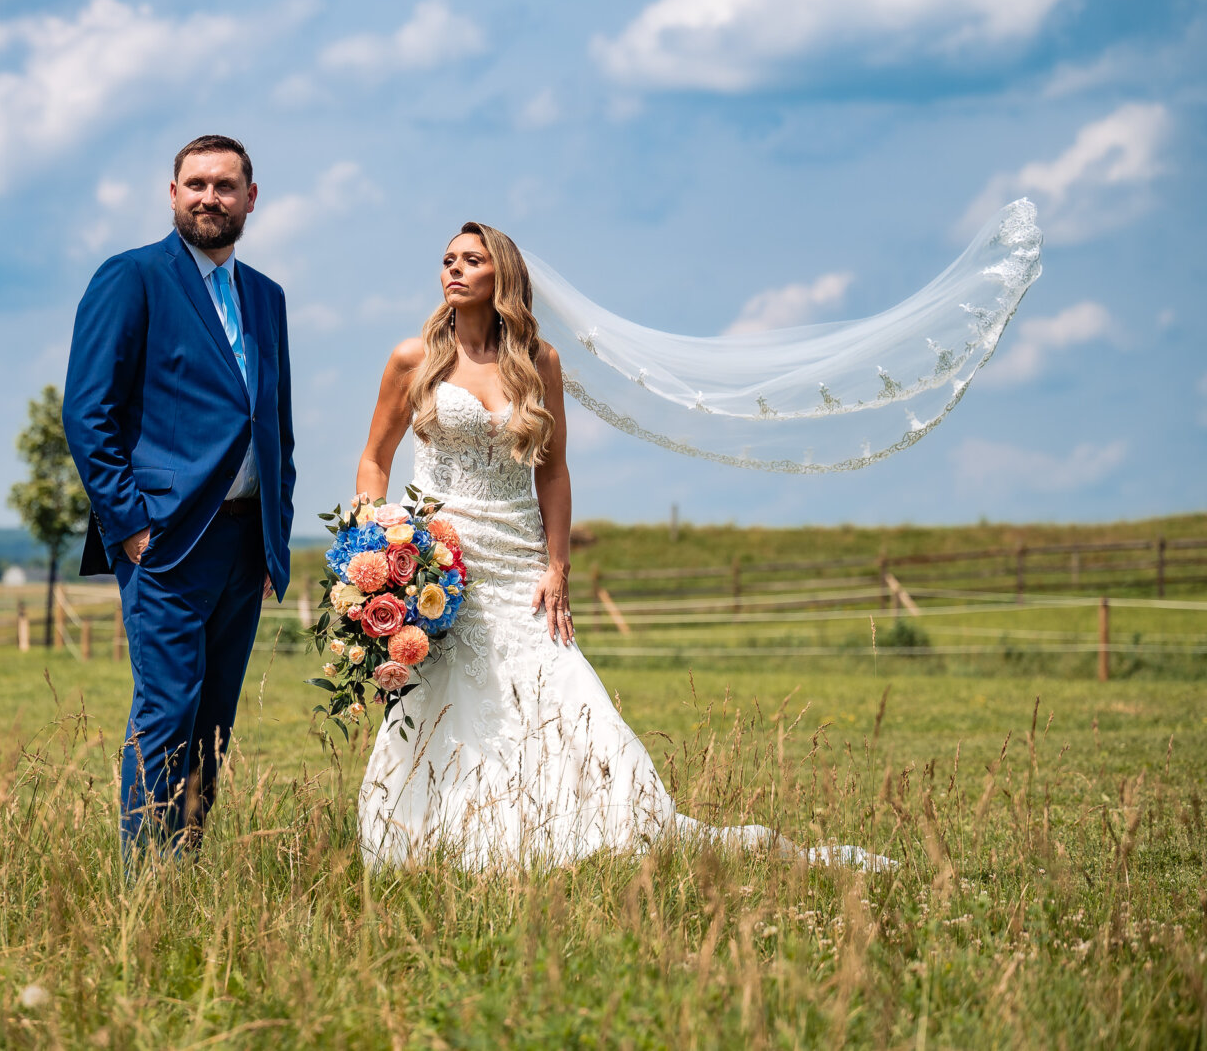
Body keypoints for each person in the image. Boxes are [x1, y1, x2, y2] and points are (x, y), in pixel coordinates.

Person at [351, 221, 887, 870]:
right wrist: (378, 541)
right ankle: (431, 838)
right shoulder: (414, 359)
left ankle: (573, 831)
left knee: (556, 690)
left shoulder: (538, 362)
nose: (453, 270)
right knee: (437, 695)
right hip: (437, 562)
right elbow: (375, 460)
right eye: (447, 260)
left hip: (519, 557)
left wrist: (558, 564)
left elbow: (551, 470)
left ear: (504, 279)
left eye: (471, 260)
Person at [63, 134, 296, 856]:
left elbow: (274, 423)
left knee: (214, 720)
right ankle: (148, 884)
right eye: (195, 184)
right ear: (172, 195)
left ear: (250, 198)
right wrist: (126, 521)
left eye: (225, 185)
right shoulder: (131, 277)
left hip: (242, 542)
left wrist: (273, 538)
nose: (209, 197)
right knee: (166, 710)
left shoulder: (266, 296)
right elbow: (86, 409)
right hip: (164, 538)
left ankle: (184, 863)